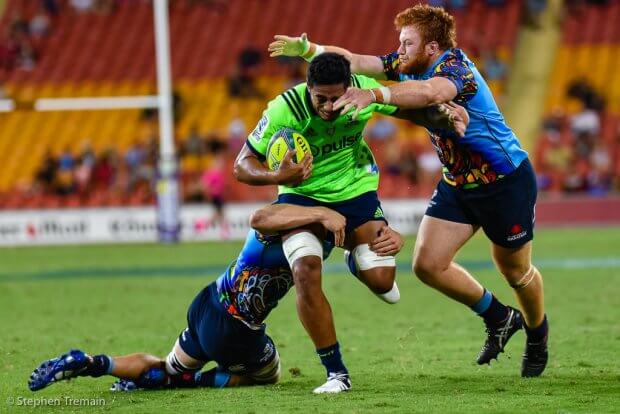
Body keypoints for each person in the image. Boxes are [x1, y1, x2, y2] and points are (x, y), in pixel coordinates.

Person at [268, 4, 548, 378]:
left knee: (515, 271)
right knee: (428, 265)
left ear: (431, 48)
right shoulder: (409, 64)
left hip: (504, 182)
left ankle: (537, 334)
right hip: (458, 184)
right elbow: (353, 60)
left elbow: (431, 93)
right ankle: (499, 317)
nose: (398, 50)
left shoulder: (455, 70)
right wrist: (308, 50)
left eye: (406, 43)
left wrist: (376, 96)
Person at [234, 52, 469, 392]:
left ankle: (356, 260)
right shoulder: (284, 109)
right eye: (321, 98)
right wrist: (276, 174)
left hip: (354, 188)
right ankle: (336, 373)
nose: (329, 107)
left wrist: (443, 116)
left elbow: (410, 110)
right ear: (308, 89)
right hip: (301, 195)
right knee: (304, 270)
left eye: (336, 98)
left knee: (383, 283)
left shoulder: (363, 91)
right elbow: (242, 165)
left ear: (350, 87)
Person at [28, 203, 405, 394]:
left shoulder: (280, 216)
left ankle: (93, 363)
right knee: (268, 374)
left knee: (168, 367)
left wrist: (390, 236)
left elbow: (263, 216)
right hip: (236, 329)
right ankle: (187, 382)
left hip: (208, 301)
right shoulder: (302, 236)